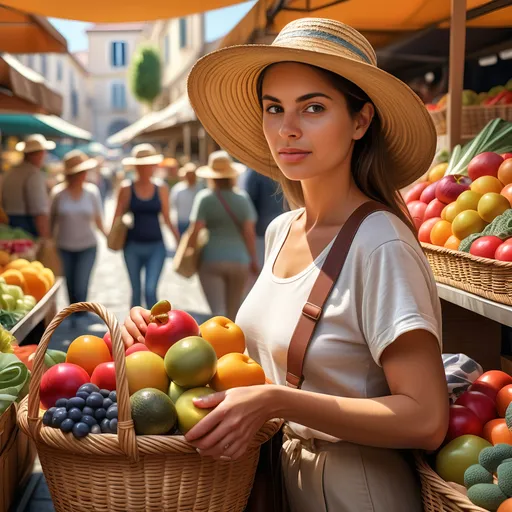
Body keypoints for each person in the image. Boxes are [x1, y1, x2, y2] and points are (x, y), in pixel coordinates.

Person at [122, 18, 448, 512]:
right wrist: (157, 335)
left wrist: (277, 402)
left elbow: (426, 418)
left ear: (361, 121)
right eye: (274, 108)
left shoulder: (380, 243)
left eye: (313, 107)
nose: (287, 128)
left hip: (354, 492)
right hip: (282, 480)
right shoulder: (281, 230)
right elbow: (253, 354)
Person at [186, 150, 258, 321]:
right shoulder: (242, 198)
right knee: (234, 313)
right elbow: (249, 232)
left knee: (217, 313)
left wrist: (189, 251)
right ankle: (233, 346)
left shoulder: (204, 198)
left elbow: (195, 230)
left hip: (211, 258)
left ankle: (217, 345)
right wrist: (253, 259)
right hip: (240, 260)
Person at [112, 144, 180, 309]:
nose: (145, 168)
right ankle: (135, 333)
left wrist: (179, 240)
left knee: (150, 291)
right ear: (135, 166)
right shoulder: (126, 188)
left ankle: (153, 331)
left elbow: (166, 217)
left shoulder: (161, 188)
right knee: (135, 292)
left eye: (148, 165)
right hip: (132, 246)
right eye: (141, 165)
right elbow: (117, 217)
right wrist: (112, 237)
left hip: (156, 246)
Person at [50, 150, 107, 321]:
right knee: (69, 284)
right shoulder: (58, 194)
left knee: (81, 285)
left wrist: (111, 238)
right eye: (79, 172)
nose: (83, 175)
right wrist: (47, 243)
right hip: (64, 246)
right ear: (70, 175)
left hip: (88, 246)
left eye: (84, 171)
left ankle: (80, 317)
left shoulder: (92, 192)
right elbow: (51, 221)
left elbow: (99, 220)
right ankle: (73, 316)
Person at [1, 134, 54, 239]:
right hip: (27, 227)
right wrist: (46, 239)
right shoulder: (34, 174)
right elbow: (39, 211)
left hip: (9, 225)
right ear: (38, 154)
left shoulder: (10, 172)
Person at [240, 168, 285, 267]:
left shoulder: (253, 172)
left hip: (261, 233)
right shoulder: (284, 168)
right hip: (285, 229)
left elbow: (248, 201)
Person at [170, 162, 203, 236]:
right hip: (182, 222)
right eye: (188, 174)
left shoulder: (200, 189)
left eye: (192, 174)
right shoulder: (178, 189)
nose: (190, 176)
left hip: (197, 222)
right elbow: (173, 206)